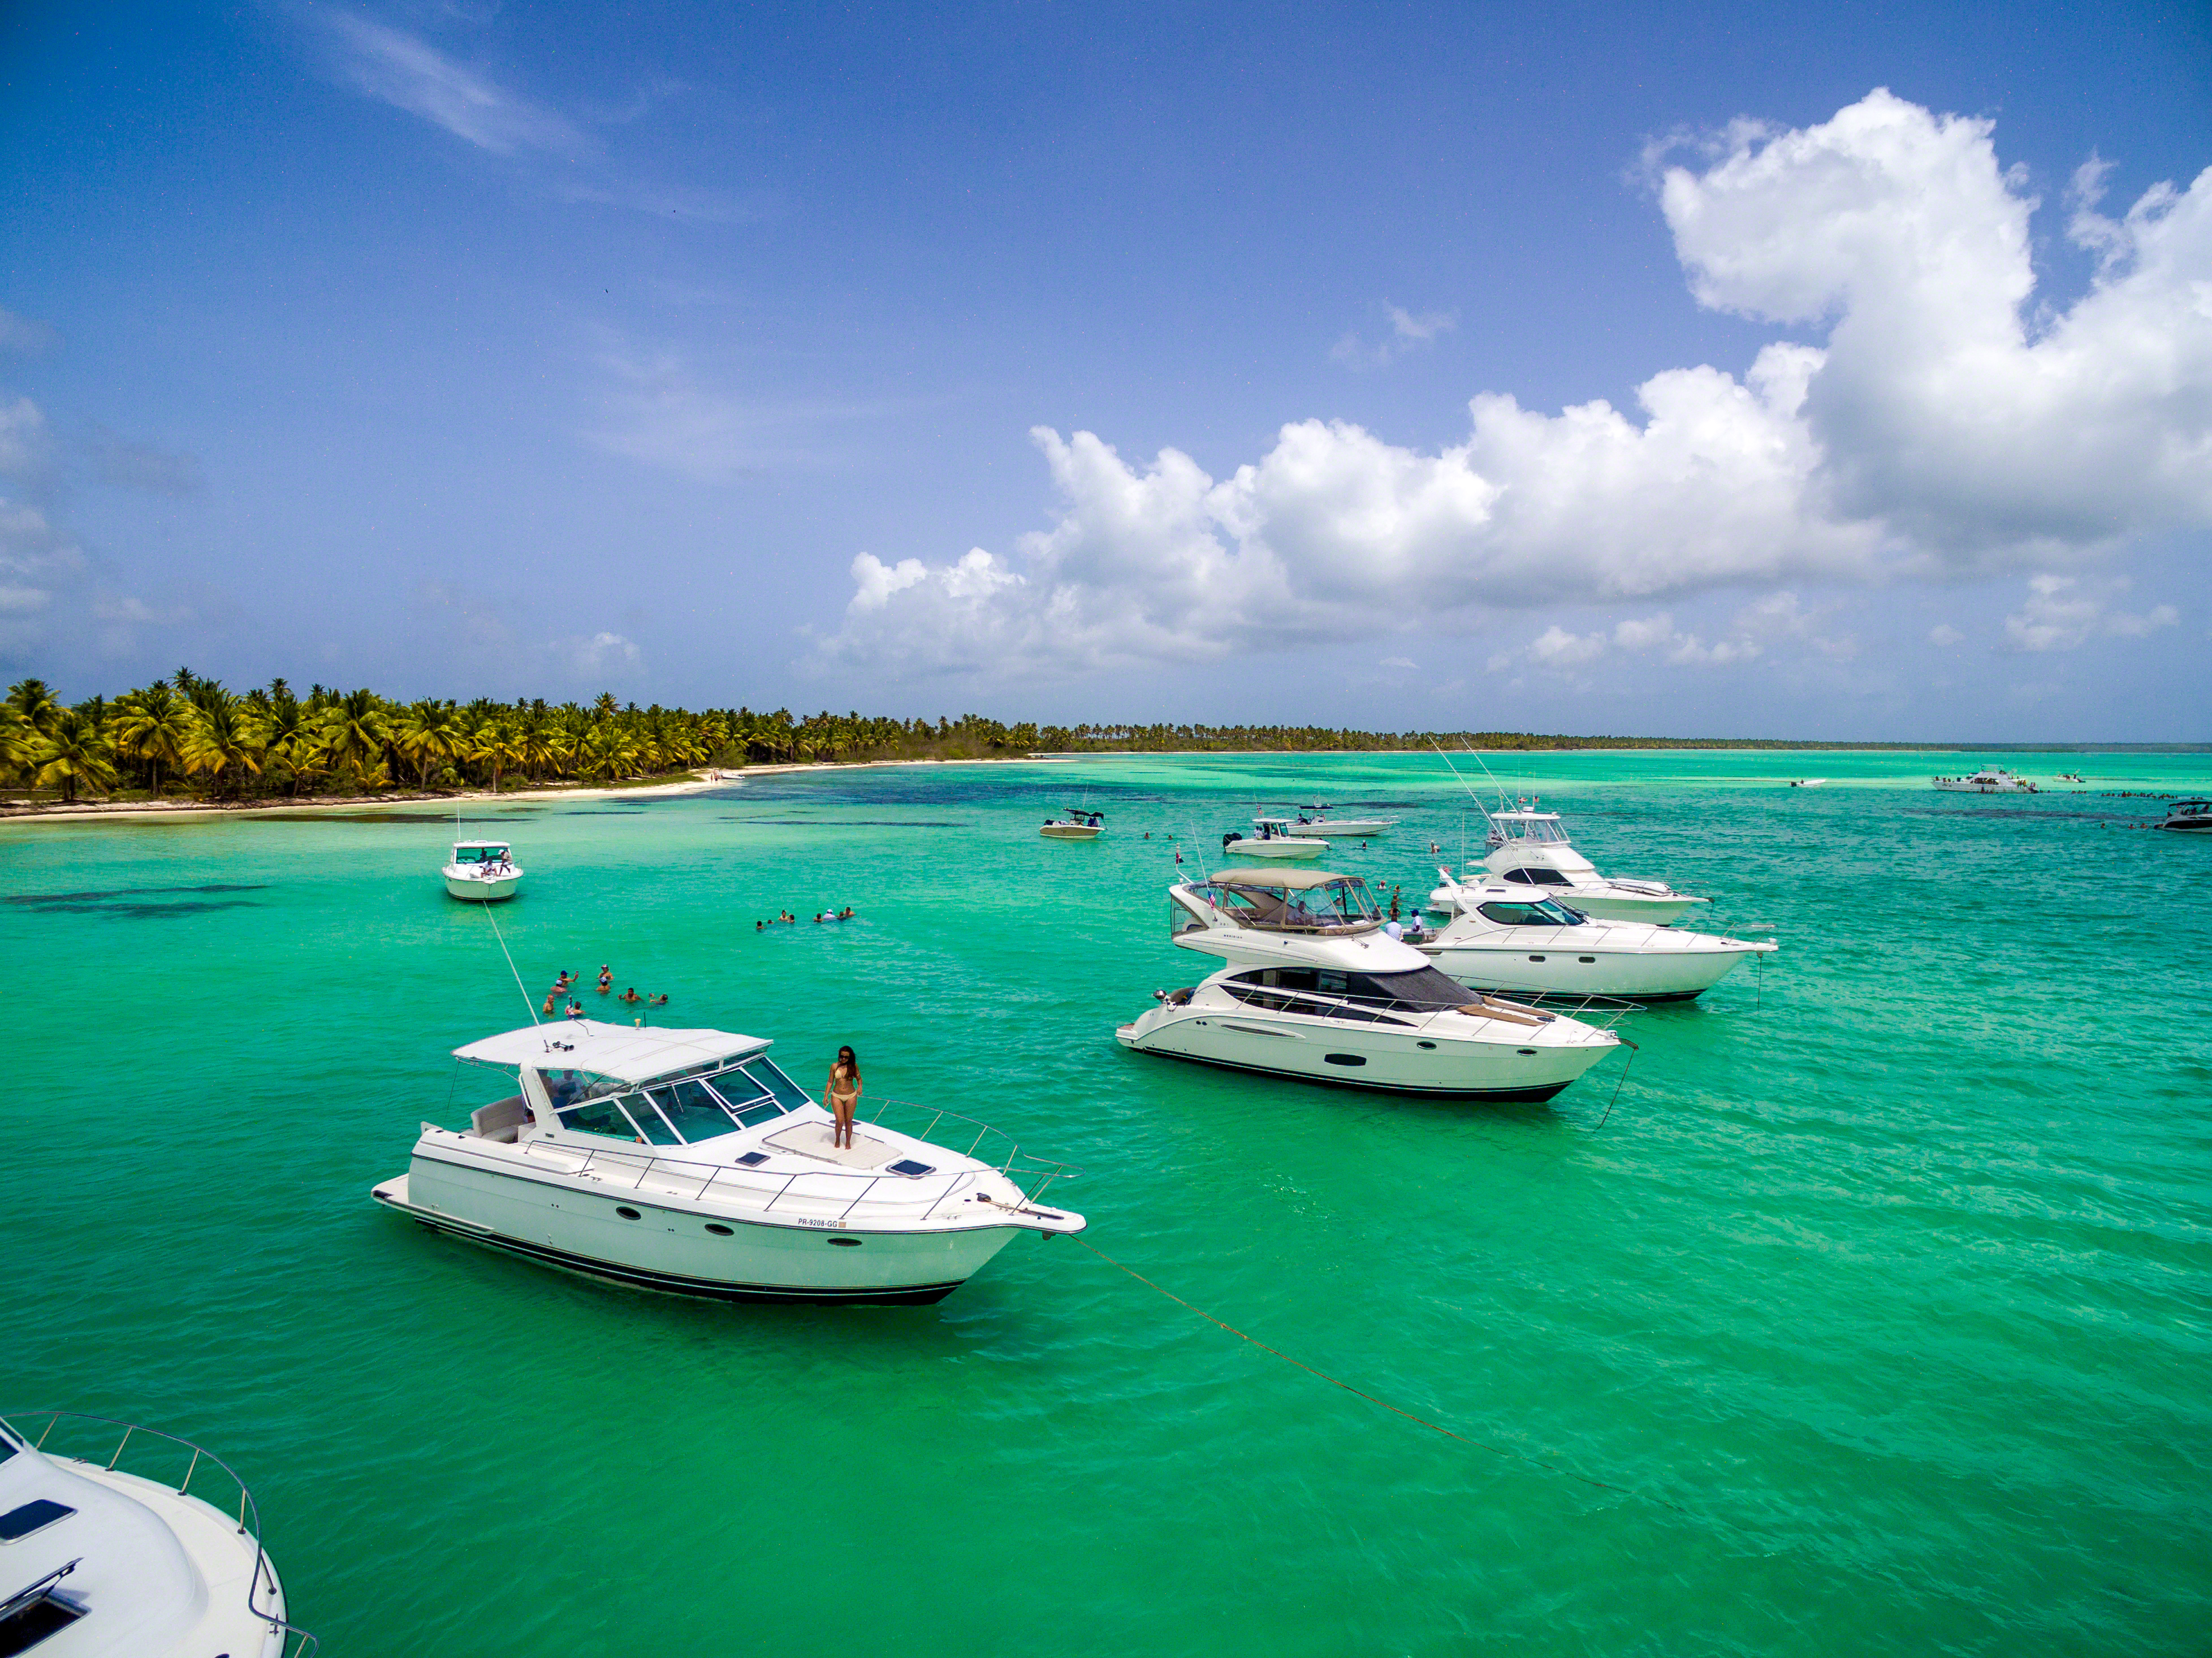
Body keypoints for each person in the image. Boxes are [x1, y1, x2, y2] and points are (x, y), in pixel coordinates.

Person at [824, 1045, 862, 1150]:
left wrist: (860, 1087)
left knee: (849, 1121)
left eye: (846, 1057)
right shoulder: (834, 1066)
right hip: (837, 1095)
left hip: (851, 1095)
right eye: (842, 1056)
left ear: (850, 1058)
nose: (844, 1059)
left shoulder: (854, 1066)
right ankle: (837, 1139)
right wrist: (826, 1095)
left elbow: (859, 1079)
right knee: (840, 1120)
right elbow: (830, 1081)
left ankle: (848, 1143)